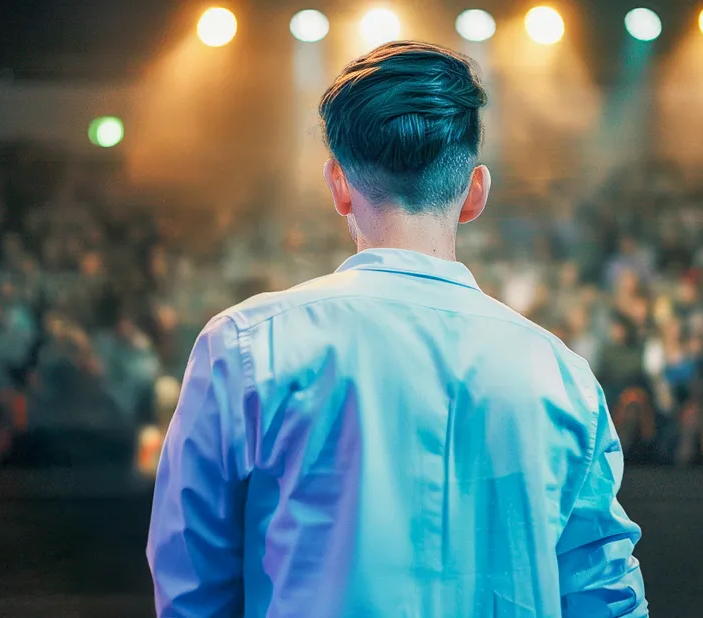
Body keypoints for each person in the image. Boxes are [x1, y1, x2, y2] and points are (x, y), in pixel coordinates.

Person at [147, 41, 648, 618]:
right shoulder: (565, 379)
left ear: (338, 184)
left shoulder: (244, 347)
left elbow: (190, 590)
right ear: (475, 193)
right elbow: (606, 601)